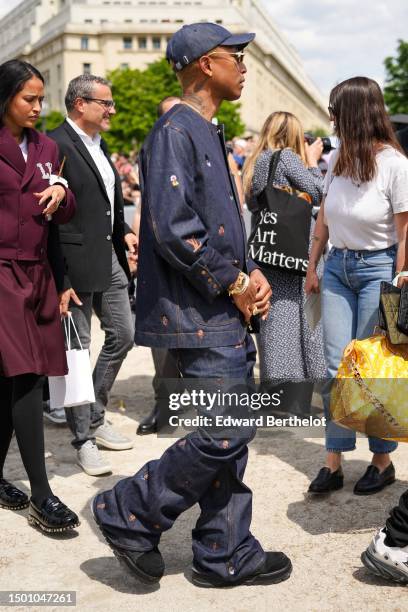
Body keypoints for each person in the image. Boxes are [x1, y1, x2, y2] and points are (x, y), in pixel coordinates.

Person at [92, 22, 292, 588]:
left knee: (227, 436)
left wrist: (250, 270)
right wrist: (233, 283)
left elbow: (221, 227)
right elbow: (175, 230)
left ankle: (225, 551)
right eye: (236, 54)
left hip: (217, 308)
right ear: (206, 64)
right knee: (226, 432)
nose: (244, 64)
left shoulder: (206, 129)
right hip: (196, 313)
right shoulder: (174, 131)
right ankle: (128, 509)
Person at [306, 76, 408, 495]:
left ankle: (381, 461)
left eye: (336, 111)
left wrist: (402, 276)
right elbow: (323, 219)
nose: (331, 119)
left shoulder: (396, 165)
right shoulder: (339, 160)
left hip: (379, 269)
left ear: (354, 113)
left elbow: (406, 230)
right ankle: (333, 460)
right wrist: (312, 265)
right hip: (337, 269)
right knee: (333, 367)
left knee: (370, 370)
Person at [0, 59, 79, 533]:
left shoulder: (49, 146)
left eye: (40, 98)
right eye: (28, 98)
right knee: (27, 375)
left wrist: (61, 194)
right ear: (6, 97)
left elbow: (66, 211)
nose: (37, 106)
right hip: (1, 273)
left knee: (8, 382)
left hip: (39, 274)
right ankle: (42, 495)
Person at [48, 74, 137, 476]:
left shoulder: (100, 146)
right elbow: (49, 219)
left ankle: (95, 414)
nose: (112, 109)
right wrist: (59, 278)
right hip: (73, 265)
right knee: (78, 353)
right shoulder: (54, 145)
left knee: (124, 334)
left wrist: (126, 234)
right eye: (106, 103)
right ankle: (83, 438)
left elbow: (107, 204)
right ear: (80, 104)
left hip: (111, 257)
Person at [243, 111, 326, 412]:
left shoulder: (254, 163)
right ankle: (294, 400)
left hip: (269, 253)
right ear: (292, 135)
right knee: (304, 320)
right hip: (294, 252)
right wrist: (314, 162)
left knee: (275, 320)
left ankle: (277, 396)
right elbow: (319, 192)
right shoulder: (286, 158)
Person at [136, 94, 182, 436]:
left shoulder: (205, 143)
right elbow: (145, 200)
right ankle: (164, 402)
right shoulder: (151, 147)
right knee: (162, 335)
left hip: (198, 252)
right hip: (160, 255)